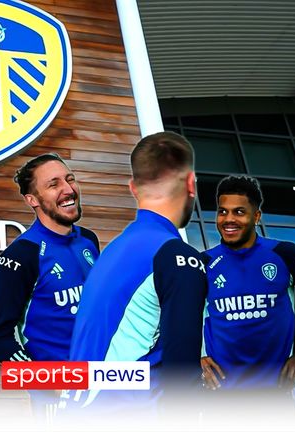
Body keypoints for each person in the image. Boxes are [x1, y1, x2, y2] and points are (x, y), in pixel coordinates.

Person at [65, 131, 207, 418]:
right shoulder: (176, 256)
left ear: (133, 188)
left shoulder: (111, 253)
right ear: (191, 183)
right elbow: (182, 379)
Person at [199, 175, 295, 417]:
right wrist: (196, 356)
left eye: (239, 212)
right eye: (222, 212)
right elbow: (172, 317)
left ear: (256, 216)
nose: (229, 219)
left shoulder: (286, 254)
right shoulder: (204, 263)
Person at [0, 153, 100, 419]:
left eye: (70, 179)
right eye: (54, 184)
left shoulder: (89, 241)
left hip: (103, 388)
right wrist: (49, 384)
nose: (68, 189)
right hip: (59, 403)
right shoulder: (21, 254)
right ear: (32, 200)